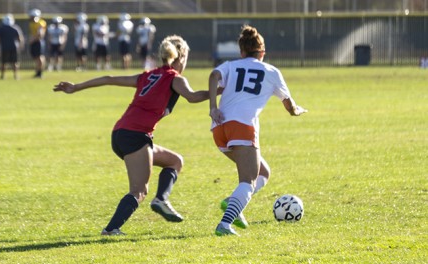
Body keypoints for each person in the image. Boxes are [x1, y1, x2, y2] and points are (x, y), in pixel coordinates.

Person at [54, 35, 216, 236]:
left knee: (174, 161)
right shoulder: (174, 78)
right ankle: (111, 229)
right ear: (181, 57)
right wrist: (219, 90)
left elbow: (108, 79)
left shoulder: (147, 75)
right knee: (139, 190)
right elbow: (193, 97)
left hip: (122, 133)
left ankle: (161, 200)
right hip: (135, 135)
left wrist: (76, 87)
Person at [208, 25, 308, 236]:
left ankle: (233, 203)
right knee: (248, 181)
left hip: (219, 129)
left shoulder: (231, 65)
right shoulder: (271, 71)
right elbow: (290, 106)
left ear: (242, 52)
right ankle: (224, 224)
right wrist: (297, 111)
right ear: (262, 53)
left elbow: (213, 75)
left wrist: (213, 107)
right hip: (242, 127)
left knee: (263, 172)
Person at [0, 14, 23, 80]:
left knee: (3, 63)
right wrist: (20, 45)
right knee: (14, 62)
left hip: (4, 47)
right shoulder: (15, 28)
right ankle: (15, 76)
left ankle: (2, 76)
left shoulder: (1, 28)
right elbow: (19, 39)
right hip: (13, 47)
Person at [28, 8, 46, 78]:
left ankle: (40, 72)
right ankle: (38, 71)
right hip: (35, 41)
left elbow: (40, 34)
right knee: (36, 58)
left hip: (38, 42)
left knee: (39, 57)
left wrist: (33, 40)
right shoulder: (32, 23)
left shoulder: (40, 23)